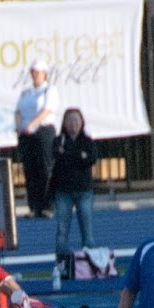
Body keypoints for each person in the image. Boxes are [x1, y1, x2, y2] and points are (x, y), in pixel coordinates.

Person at [51, 108, 98, 277]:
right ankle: (61, 266)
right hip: (63, 192)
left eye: (76, 120)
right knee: (62, 232)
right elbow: (58, 156)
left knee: (87, 232)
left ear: (82, 123)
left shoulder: (88, 141)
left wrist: (70, 156)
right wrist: (79, 157)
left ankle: (92, 265)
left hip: (84, 191)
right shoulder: (58, 141)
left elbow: (91, 158)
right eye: (70, 121)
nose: (73, 124)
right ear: (64, 123)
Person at [14, 59, 59, 218]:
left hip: (43, 132)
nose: (34, 75)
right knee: (30, 170)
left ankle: (48, 206)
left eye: (37, 72)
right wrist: (20, 127)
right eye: (32, 71)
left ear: (44, 73)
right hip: (27, 135)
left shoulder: (49, 90)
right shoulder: (26, 92)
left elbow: (47, 110)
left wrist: (32, 124)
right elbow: (18, 111)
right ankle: (34, 206)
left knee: (45, 168)